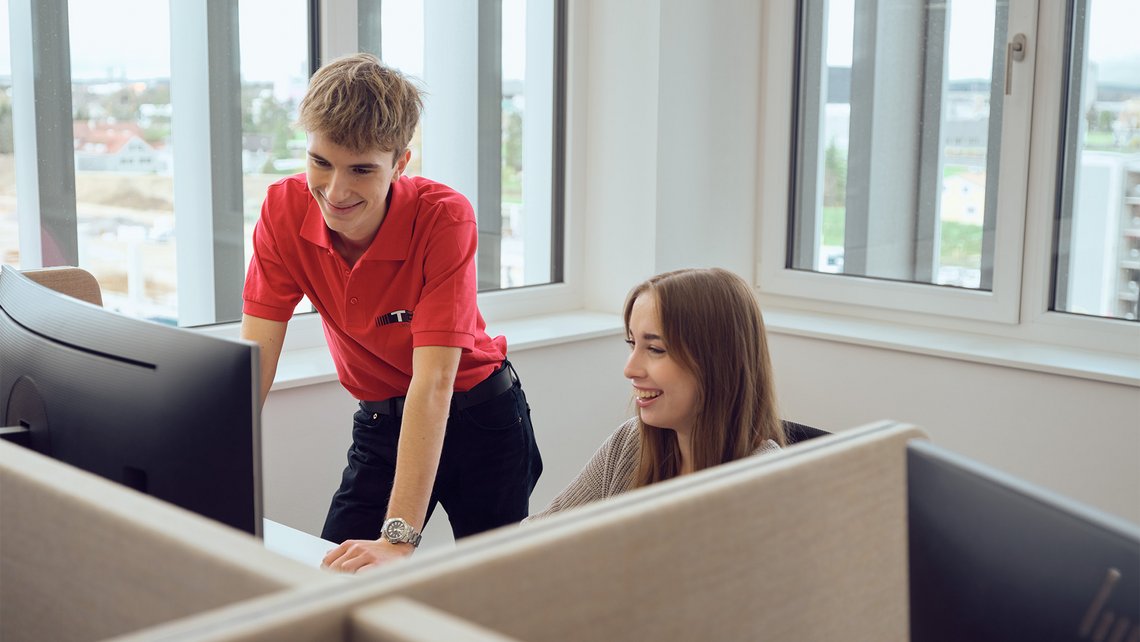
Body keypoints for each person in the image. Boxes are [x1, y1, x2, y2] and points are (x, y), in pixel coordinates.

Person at [241, 53, 542, 572]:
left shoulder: (444, 219)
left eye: (361, 169)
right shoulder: (282, 210)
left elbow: (434, 383)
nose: (335, 192)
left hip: (481, 422)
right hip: (382, 423)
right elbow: (254, 361)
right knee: (331, 580)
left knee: (492, 590)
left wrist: (399, 538)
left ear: (400, 162)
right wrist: (199, 470)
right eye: (321, 162)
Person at [526, 268, 785, 520]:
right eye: (632, 344)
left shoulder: (771, 487)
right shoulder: (629, 444)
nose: (630, 369)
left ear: (718, 363)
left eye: (655, 349)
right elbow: (533, 538)